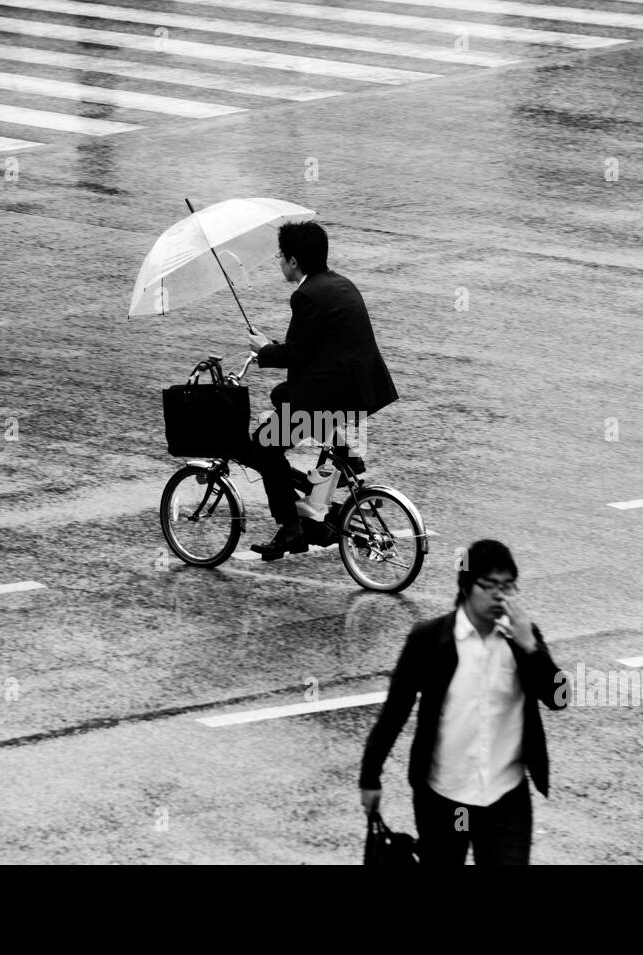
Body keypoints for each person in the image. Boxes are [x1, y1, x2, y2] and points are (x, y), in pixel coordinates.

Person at [359, 540, 569, 865]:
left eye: (508, 586)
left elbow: (559, 698)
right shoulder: (428, 640)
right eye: (491, 586)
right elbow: (395, 712)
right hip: (444, 798)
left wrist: (532, 649)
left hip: (505, 798)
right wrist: (370, 777)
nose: (501, 595)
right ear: (468, 586)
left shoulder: (523, 638)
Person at [239, 221, 397, 560]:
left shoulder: (306, 295)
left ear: (294, 261)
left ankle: (292, 530)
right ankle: (338, 471)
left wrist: (264, 349)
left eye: (280, 255)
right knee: (283, 399)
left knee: (264, 448)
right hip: (360, 391)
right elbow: (316, 348)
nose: (278, 261)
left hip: (330, 395)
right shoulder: (340, 283)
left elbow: (296, 354)